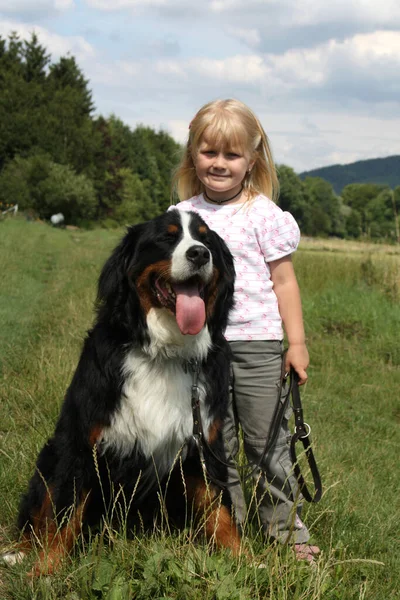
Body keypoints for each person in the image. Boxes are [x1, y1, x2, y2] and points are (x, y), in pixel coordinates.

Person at [170, 98, 319, 563]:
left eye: (231, 155)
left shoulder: (266, 215)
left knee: (265, 441)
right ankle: (224, 527)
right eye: (209, 152)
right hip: (201, 347)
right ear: (193, 154)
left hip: (258, 344)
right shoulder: (183, 215)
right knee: (215, 441)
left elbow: (284, 281)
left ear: (252, 160)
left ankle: (285, 531)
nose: (219, 163)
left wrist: (296, 344)